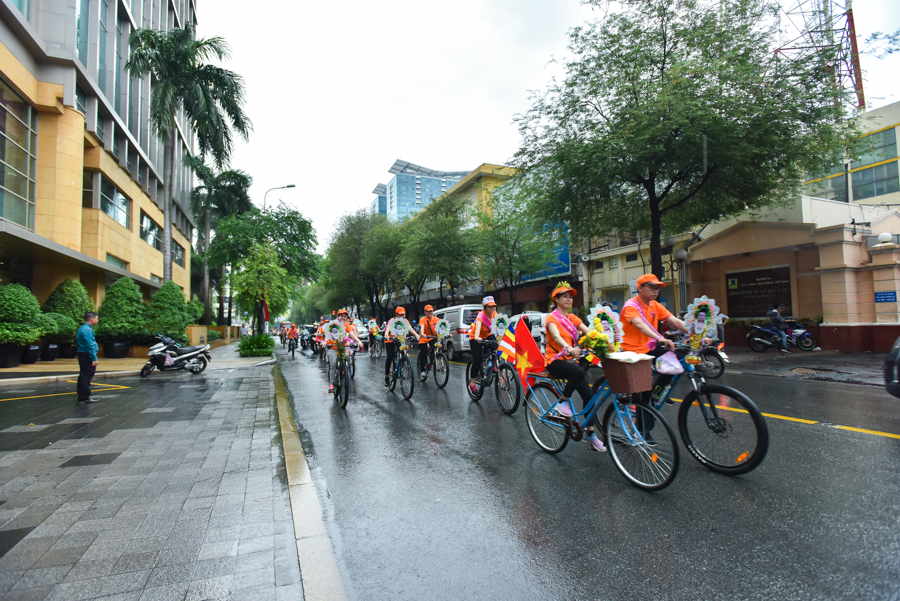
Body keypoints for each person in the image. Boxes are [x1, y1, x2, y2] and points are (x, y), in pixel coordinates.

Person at [620, 274, 692, 444]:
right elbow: (639, 324)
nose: (656, 291)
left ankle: (657, 392)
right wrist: (659, 338)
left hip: (650, 346)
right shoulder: (630, 306)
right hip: (633, 351)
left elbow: (675, 322)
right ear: (639, 288)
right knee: (643, 391)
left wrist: (697, 333)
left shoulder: (655, 305)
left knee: (681, 359)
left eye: (657, 288)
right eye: (652, 287)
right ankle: (642, 430)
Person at [544, 283, 606, 452]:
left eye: (570, 297)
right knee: (578, 372)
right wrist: (568, 347)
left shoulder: (573, 318)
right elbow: (556, 336)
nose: (569, 299)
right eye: (564, 296)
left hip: (571, 361)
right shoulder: (551, 318)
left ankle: (590, 435)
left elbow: (589, 333)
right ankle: (562, 402)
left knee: (589, 397)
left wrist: (604, 341)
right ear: (556, 300)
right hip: (555, 361)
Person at [467, 296, 499, 396]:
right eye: (489, 306)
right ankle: (472, 383)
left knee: (498, 349)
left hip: (488, 335)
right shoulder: (481, 316)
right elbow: (477, 328)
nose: (492, 308)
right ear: (484, 307)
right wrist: (477, 337)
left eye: (494, 306)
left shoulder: (495, 315)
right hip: (475, 338)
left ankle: (493, 366)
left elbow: (502, 325)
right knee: (477, 360)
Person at [326, 309, 364, 393]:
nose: (343, 318)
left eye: (345, 316)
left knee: (348, 358)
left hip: (343, 347)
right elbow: (327, 334)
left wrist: (358, 341)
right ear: (338, 316)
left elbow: (352, 334)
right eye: (341, 316)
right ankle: (331, 384)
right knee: (333, 364)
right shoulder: (332, 324)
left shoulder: (347, 325)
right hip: (333, 347)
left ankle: (344, 371)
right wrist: (325, 342)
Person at [384, 307, 420, 386]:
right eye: (400, 315)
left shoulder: (405, 321)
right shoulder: (392, 320)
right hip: (390, 339)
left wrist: (416, 335)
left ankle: (403, 367)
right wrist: (386, 335)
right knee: (390, 356)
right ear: (396, 314)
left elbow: (410, 328)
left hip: (400, 339)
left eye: (403, 314)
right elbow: (388, 328)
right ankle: (387, 375)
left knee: (403, 352)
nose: (402, 316)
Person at [76, 312, 100, 404]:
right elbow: (90, 345)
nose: (97, 320)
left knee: (84, 375)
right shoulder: (87, 330)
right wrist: (94, 358)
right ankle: (84, 397)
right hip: (86, 355)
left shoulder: (83, 328)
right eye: (96, 319)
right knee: (87, 375)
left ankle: (83, 396)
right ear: (91, 319)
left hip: (83, 354)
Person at [418, 305, 439, 378]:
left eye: (431, 311)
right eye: (428, 311)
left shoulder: (436, 319)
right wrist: (422, 333)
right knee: (423, 352)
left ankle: (432, 363)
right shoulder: (422, 319)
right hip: (424, 338)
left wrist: (447, 333)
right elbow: (422, 326)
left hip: (432, 337)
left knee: (436, 348)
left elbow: (442, 327)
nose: (430, 313)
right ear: (425, 312)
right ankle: (422, 370)